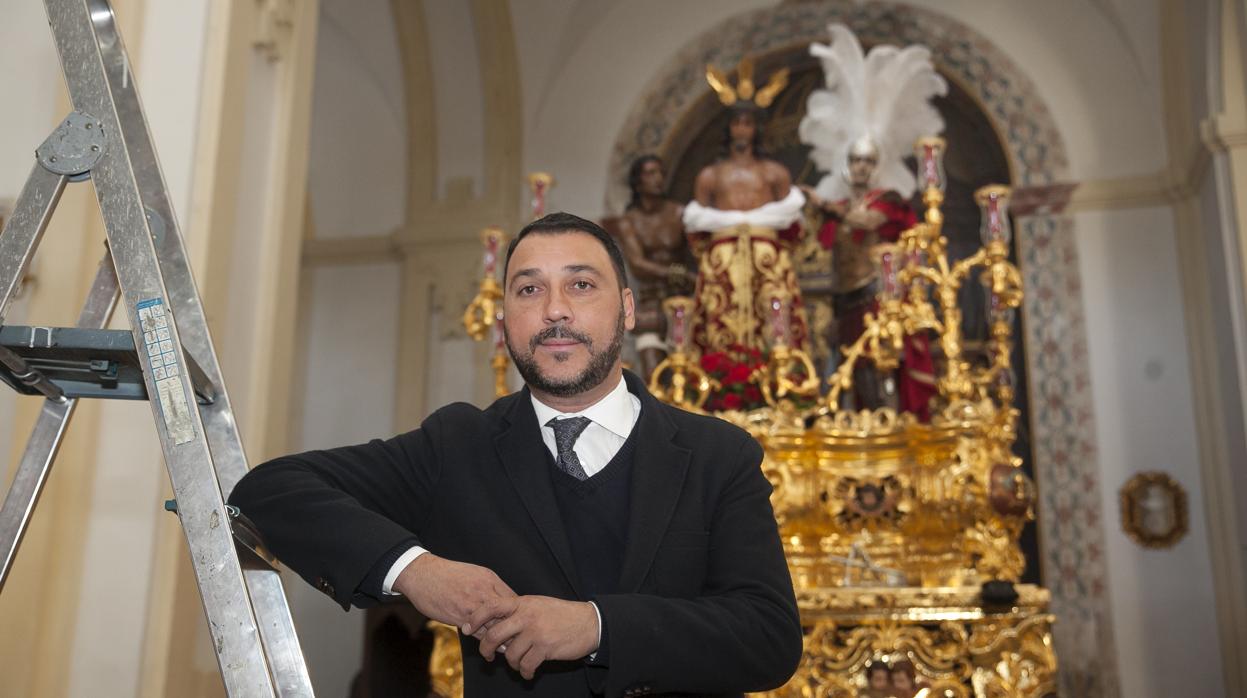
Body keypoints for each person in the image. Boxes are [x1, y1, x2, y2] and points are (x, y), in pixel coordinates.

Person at [228, 212, 803, 697]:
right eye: (529, 289)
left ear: (626, 309)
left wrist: (597, 626)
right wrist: (415, 570)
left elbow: (769, 636)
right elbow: (271, 491)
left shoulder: (716, 455)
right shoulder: (458, 447)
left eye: (581, 285)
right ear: (505, 319)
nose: (555, 309)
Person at [685, 57, 810, 355]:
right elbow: (695, 228)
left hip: (767, 258)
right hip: (723, 259)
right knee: (720, 319)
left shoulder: (773, 172)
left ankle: (778, 374)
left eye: (748, 124)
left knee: (773, 315)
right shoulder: (710, 175)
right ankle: (722, 375)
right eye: (737, 123)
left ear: (757, 129)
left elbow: (792, 226)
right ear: (728, 129)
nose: (742, 130)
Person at [613, 155, 696, 380]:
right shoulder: (629, 221)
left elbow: (697, 254)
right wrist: (678, 273)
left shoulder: (679, 213)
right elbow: (638, 265)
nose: (658, 179)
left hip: (683, 302)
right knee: (654, 376)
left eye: (660, 173)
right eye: (650, 173)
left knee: (688, 374)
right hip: (650, 303)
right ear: (638, 182)